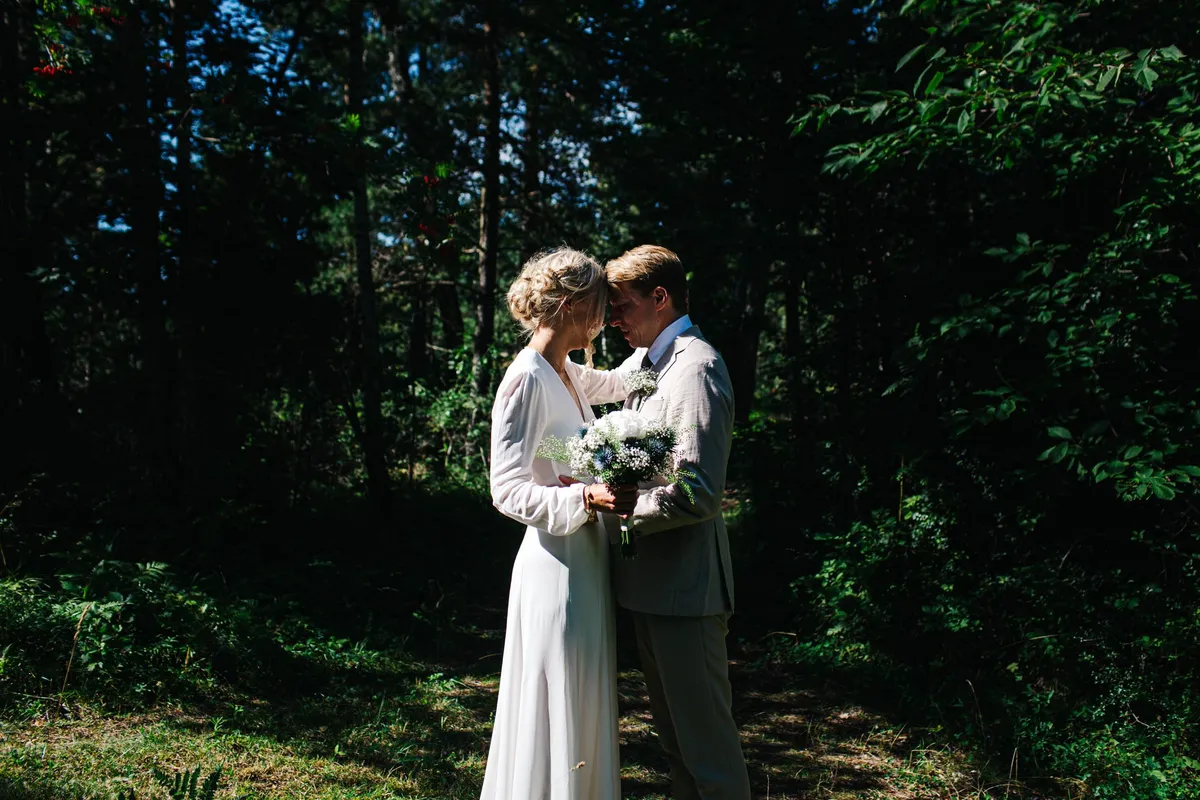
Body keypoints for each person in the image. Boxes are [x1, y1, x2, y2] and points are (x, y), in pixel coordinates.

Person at [481, 247, 636, 800]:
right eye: (600, 304)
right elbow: (507, 488)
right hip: (554, 565)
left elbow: (617, 385)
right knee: (559, 696)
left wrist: (672, 339)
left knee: (582, 694)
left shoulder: (566, 372)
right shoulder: (526, 379)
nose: (607, 316)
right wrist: (586, 498)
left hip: (586, 562)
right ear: (571, 304)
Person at [606, 244, 751, 800]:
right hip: (649, 587)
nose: (613, 319)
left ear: (660, 297)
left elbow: (697, 493)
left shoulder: (695, 368)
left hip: (687, 591)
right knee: (676, 749)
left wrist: (614, 505)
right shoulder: (646, 364)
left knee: (707, 750)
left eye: (621, 305)